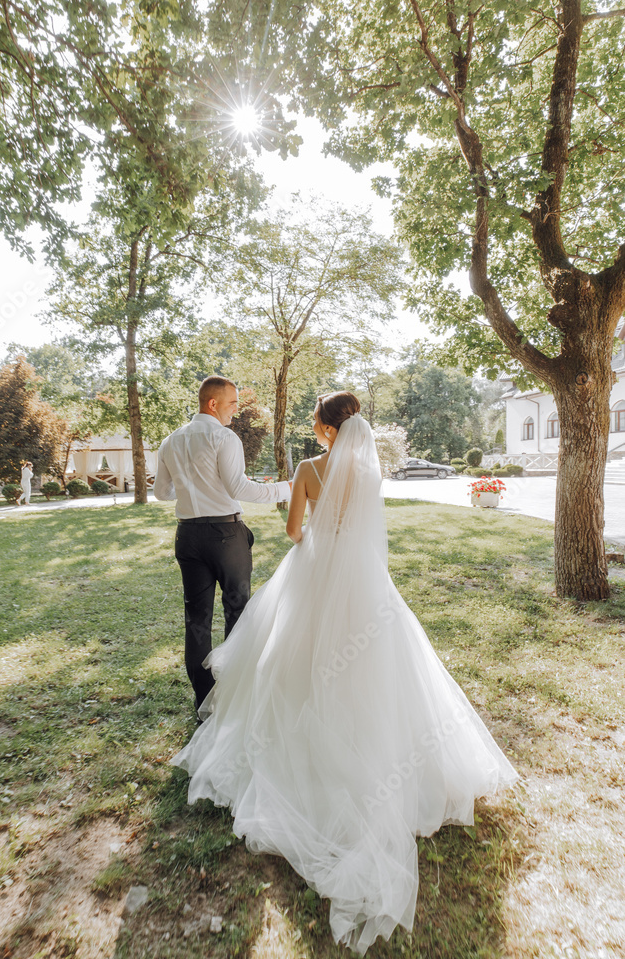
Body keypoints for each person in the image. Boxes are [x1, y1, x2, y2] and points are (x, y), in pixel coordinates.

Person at [170, 390, 519, 954]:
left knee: (288, 651)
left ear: (327, 427)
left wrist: (315, 544)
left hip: (314, 569)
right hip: (363, 580)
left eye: (315, 419)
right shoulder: (367, 471)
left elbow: (292, 532)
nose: (312, 426)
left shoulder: (309, 468)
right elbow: (365, 529)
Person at [153, 376, 292, 713]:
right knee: (238, 614)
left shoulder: (170, 441)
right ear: (212, 404)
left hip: (187, 537)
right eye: (232, 403)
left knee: (196, 621)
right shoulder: (223, 437)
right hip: (225, 538)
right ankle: (234, 697)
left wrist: (191, 488)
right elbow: (240, 489)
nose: (236, 411)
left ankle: (204, 701)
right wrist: (288, 488)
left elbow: (161, 492)